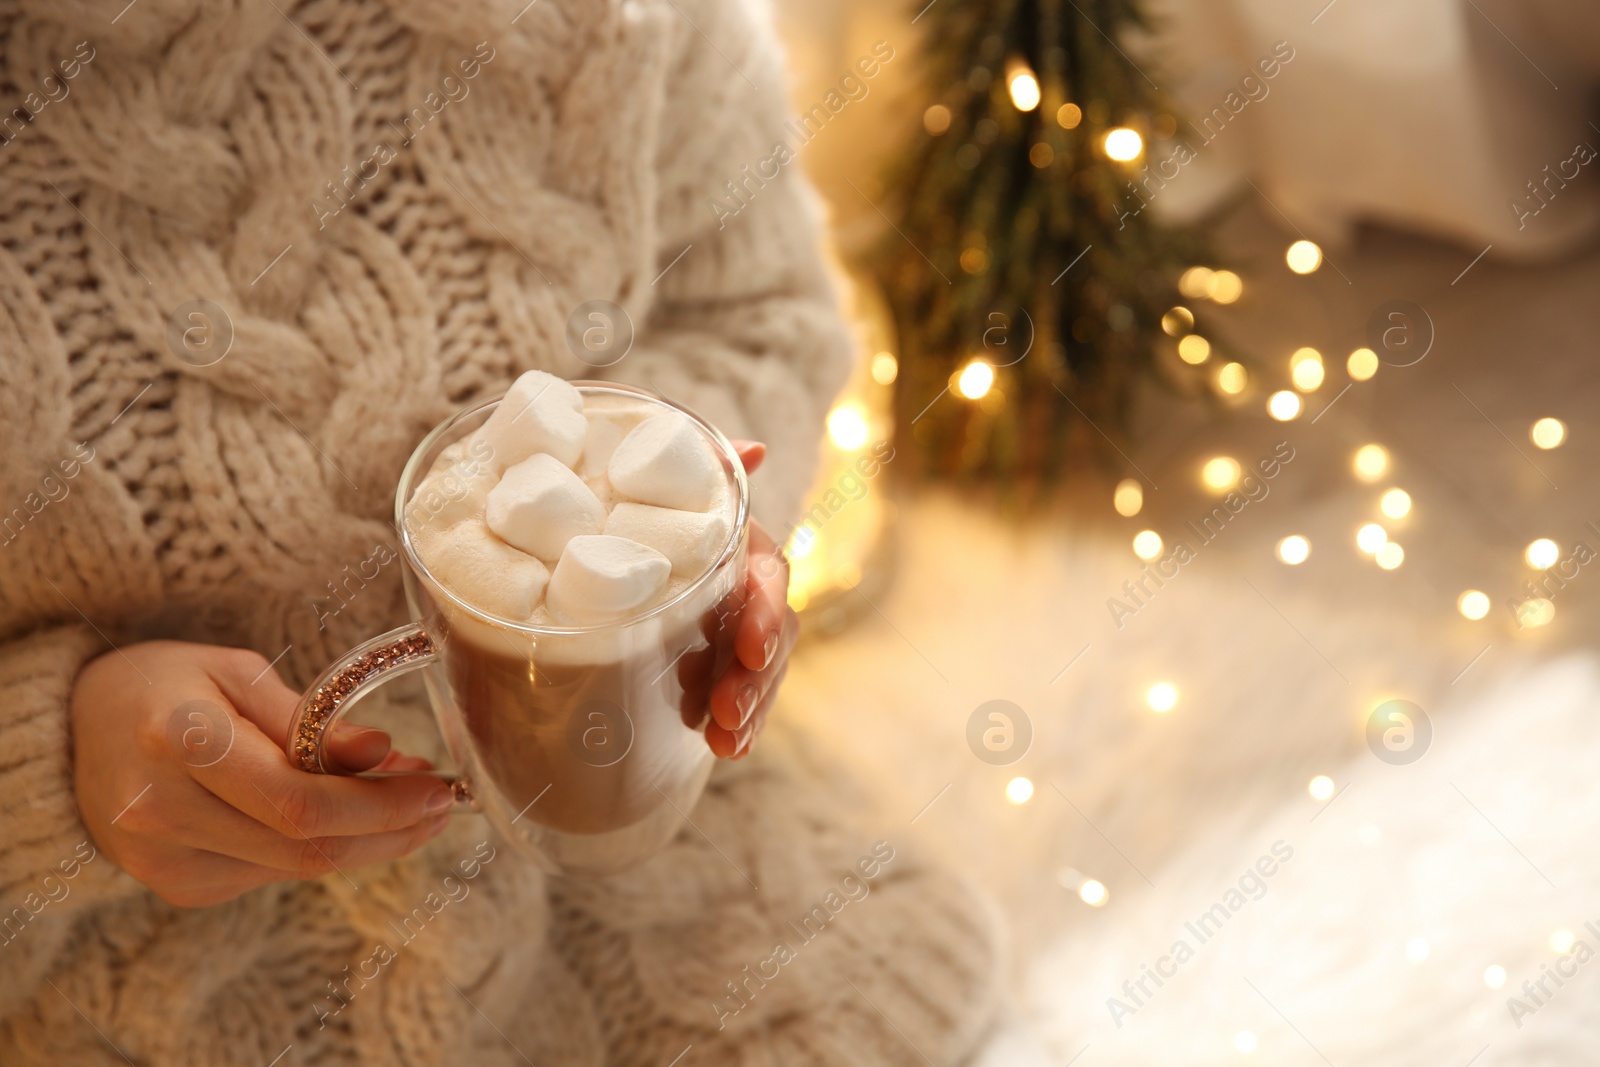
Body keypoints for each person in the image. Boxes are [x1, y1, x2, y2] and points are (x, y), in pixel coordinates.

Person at [0, 0, 998, 1062]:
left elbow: (750, 309)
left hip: (667, 852)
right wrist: (55, 762)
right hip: (135, 957)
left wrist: (685, 525)